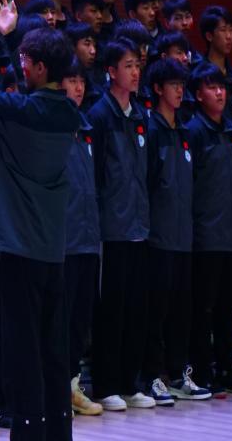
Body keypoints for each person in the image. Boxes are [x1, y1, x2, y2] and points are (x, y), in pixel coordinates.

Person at [0, 0, 81, 441]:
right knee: (54, 349)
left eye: (27, 61)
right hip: (53, 250)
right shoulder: (68, 114)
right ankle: (58, 432)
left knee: (23, 350)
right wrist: (13, 39)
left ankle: (28, 433)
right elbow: (34, 93)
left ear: (39, 67)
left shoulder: (18, 114)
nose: (22, 65)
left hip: (17, 248)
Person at [87, 39, 155, 410]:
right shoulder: (100, 115)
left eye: (137, 65)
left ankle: (131, 383)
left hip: (139, 226)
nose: (135, 71)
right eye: (128, 65)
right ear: (111, 71)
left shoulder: (141, 116)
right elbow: (95, 176)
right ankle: (106, 384)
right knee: (111, 309)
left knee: (136, 309)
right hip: (111, 229)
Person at [141, 59, 209, 401]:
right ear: (157, 89)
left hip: (184, 238)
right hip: (158, 238)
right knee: (157, 312)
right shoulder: (151, 130)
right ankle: (152, 375)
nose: (180, 91)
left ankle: (180, 374)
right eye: (173, 85)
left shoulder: (185, 132)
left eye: (182, 85)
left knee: (182, 312)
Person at [184, 62, 232, 395]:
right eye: (211, 87)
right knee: (202, 309)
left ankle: (227, 368)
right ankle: (201, 369)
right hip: (206, 237)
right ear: (198, 95)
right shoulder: (194, 131)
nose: (220, 92)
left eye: (222, 87)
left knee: (226, 309)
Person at [57, 61, 103, 416]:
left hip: (89, 238)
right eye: (71, 81)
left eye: (81, 81)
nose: (78, 87)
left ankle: (73, 385)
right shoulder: (52, 127)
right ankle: (57, 388)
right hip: (63, 241)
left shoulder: (86, 128)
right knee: (60, 319)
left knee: (79, 321)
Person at [199, 5, 232, 128]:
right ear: (209, 36)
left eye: (231, 30)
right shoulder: (198, 75)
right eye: (223, 30)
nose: (229, 36)